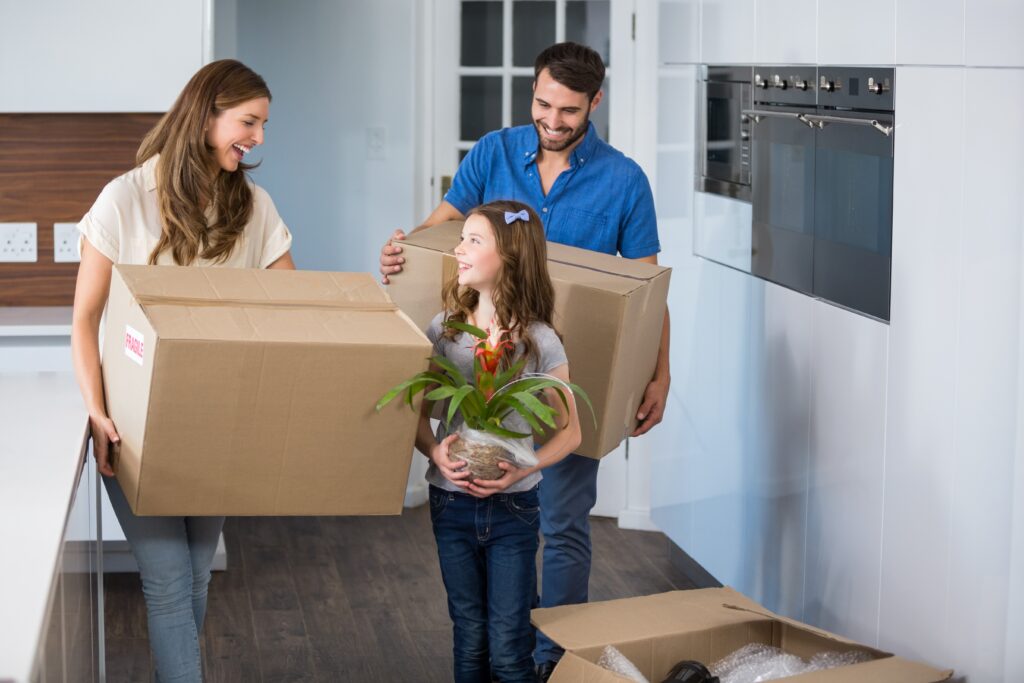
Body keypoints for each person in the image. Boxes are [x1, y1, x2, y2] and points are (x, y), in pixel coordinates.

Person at [380, 42, 670, 678]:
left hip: (564, 371)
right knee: (489, 521)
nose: (552, 119)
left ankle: (551, 663)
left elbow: (650, 294)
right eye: (543, 103)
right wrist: (402, 252)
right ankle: (501, 651)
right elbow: (439, 233)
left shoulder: (624, 181)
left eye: (568, 109)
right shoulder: (493, 152)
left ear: (595, 102)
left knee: (564, 524)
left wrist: (660, 375)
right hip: (480, 370)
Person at [71, 59, 294, 682]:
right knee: (169, 580)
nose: (258, 139)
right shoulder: (123, 199)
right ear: (206, 116)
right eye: (248, 122)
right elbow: (85, 319)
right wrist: (96, 410)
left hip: (218, 424)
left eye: (263, 125)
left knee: (196, 573)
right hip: (134, 429)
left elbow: (293, 310)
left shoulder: (252, 206)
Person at [418, 200, 582, 683]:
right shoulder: (445, 330)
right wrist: (435, 451)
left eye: (473, 240)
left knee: (510, 647)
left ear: (508, 257)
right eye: (461, 238)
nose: (458, 249)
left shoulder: (540, 340)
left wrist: (525, 467)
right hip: (450, 502)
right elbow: (418, 416)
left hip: (513, 509)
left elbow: (571, 432)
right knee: (469, 636)